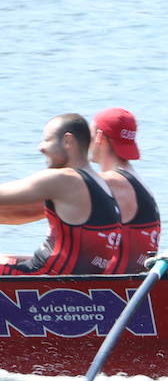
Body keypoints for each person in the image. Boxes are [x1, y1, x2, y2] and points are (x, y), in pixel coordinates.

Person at [0, 113, 123, 275]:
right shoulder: (100, 183)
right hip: (69, 277)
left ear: (67, 141)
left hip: (45, 277)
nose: (41, 147)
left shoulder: (64, 179)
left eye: (47, 140)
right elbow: (23, 212)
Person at [92, 107, 162, 273]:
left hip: (116, 286)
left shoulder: (111, 182)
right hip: (131, 281)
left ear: (99, 137)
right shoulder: (136, 179)